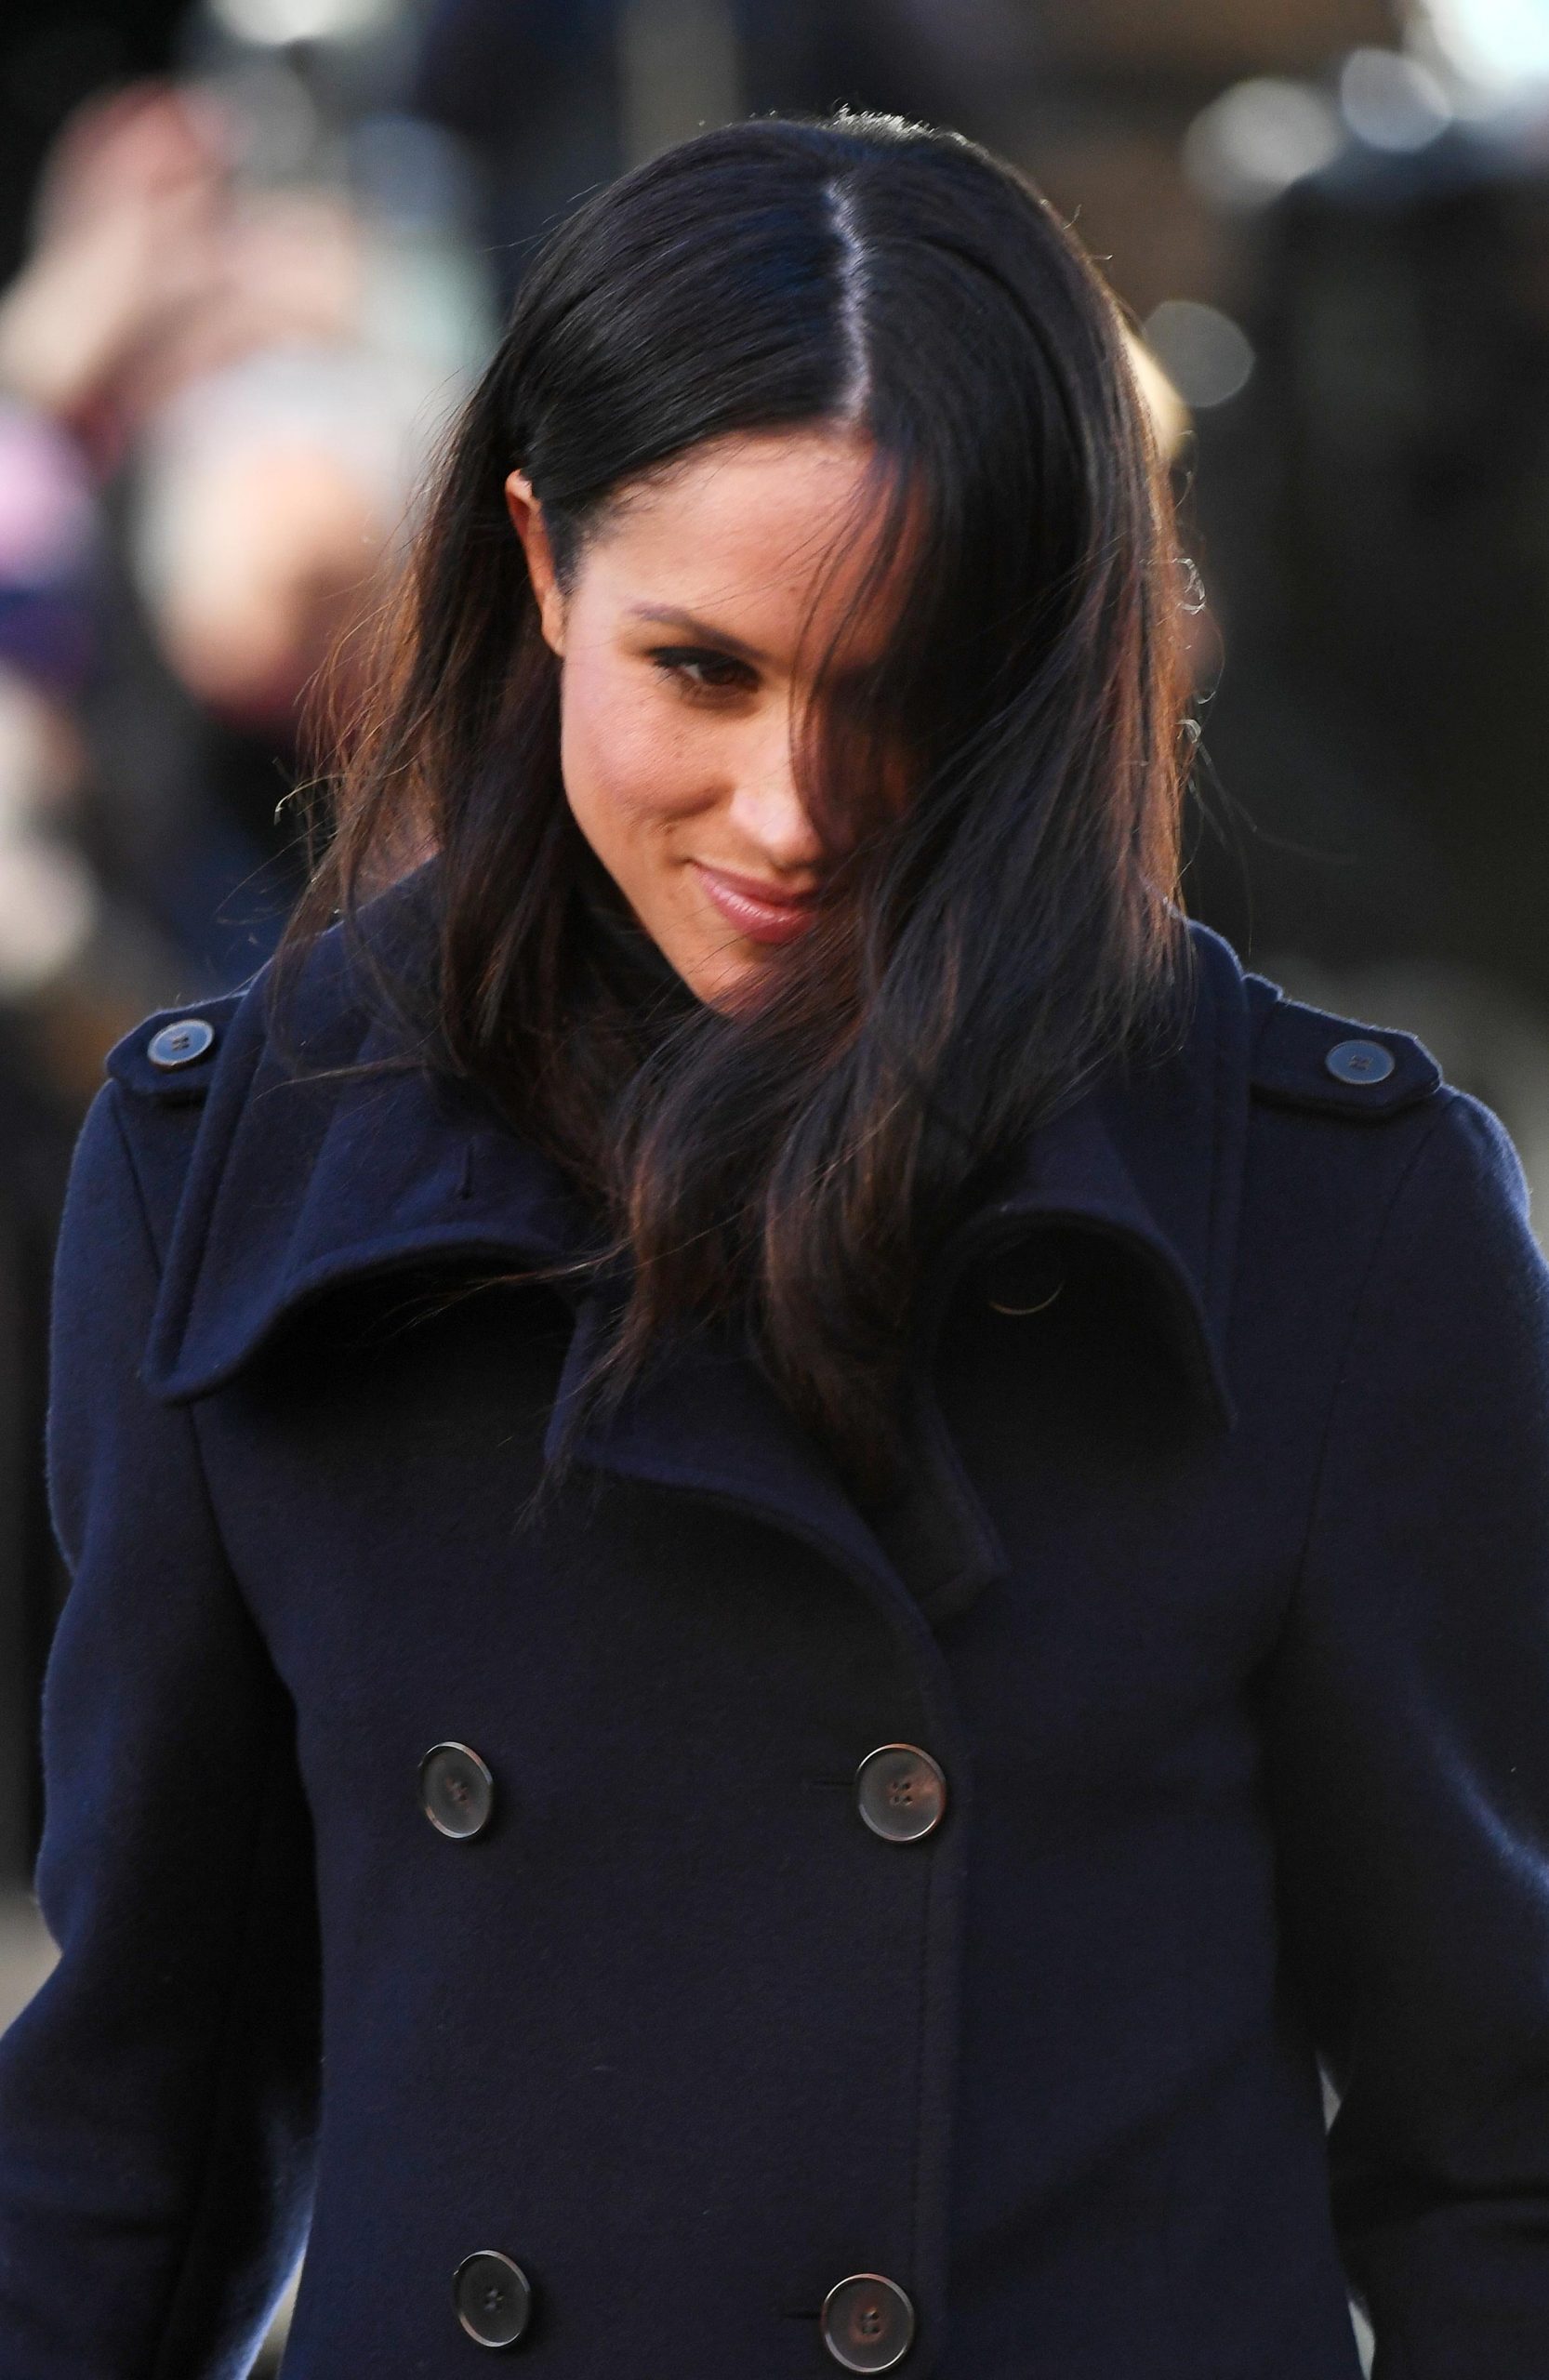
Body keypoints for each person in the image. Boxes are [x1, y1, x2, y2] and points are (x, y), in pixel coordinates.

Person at [0, 109, 1545, 2380]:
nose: (794, 810)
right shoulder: (227, 1180)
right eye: (701, 668)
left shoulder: (1336, 1217)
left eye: (900, 680)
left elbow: (1496, 2146)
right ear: (538, 566)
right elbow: (135, 2124)